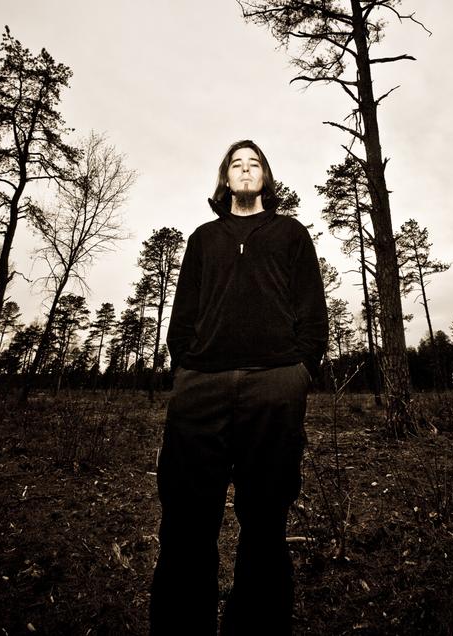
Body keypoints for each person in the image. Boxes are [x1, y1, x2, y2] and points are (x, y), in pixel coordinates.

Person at [150, 140, 328, 636]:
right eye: (236, 164)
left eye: (254, 164)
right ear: (225, 179)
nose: (245, 170)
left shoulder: (290, 233)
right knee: (186, 523)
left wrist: (299, 370)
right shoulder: (203, 238)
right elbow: (182, 315)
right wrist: (186, 366)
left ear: (265, 178)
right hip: (201, 386)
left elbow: (314, 311)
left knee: (265, 520)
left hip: (274, 386)